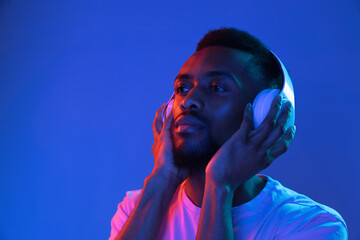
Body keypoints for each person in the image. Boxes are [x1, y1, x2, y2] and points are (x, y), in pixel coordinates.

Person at [109, 28, 348, 240]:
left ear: (262, 114)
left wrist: (220, 185)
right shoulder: (135, 209)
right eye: (182, 88)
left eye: (217, 88)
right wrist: (163, 179)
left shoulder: (312, 224)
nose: (189, 100)